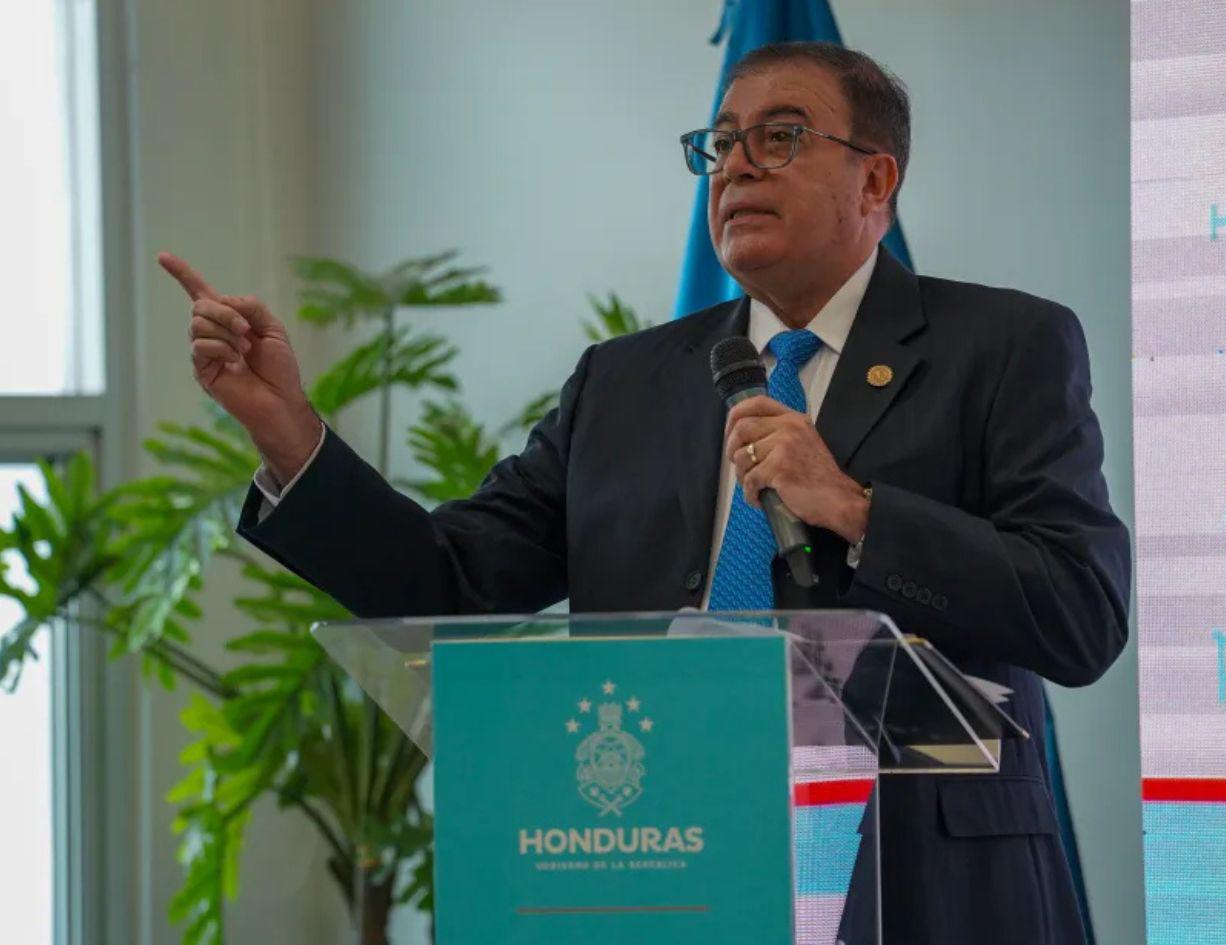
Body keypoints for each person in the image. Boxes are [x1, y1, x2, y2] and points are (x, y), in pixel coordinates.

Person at [161, 41, 1129, 945]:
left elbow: (1082, 612)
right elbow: (450, 583)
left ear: (876, 180)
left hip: (929, 892)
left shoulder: (1003, 349)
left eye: (779, 137)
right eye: (720, 142)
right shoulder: (624, 383)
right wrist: (289, 434)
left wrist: (855, 509)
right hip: (663, 868)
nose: (736, 165)